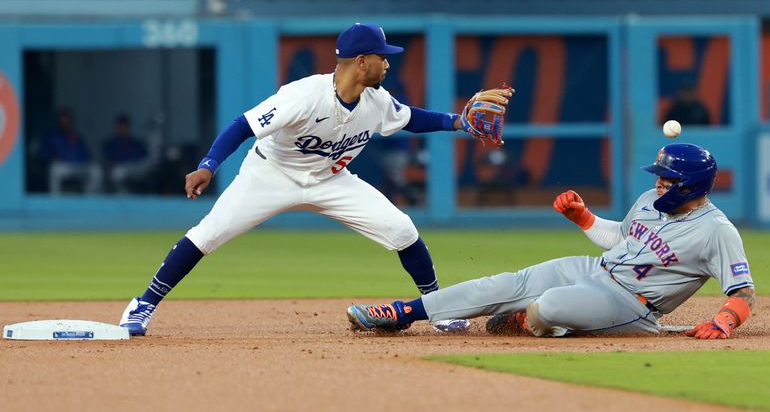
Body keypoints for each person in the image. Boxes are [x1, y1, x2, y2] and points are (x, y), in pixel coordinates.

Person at [119, 23, 514, 336]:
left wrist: (459, 122)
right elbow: (244, 124)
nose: (388, 64)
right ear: (361, 61)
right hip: (270, 175)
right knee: (207, 235)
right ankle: (143, 304)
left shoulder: (376, 101)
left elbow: (412, 118)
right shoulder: (304, 95)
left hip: (331, 180)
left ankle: (439, 307)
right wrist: (209, 164)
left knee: (402, 230)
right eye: (383, 57)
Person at [347, 143, 755, 340]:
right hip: (594, 270)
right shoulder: (649, 200)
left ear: (692, 185)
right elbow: (620, 239)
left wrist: (724, 319)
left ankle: (530, 321)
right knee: (504, 284)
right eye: (658, 175)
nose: (659, 182)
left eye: (668, 178)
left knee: (549, 306)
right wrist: (585, 218)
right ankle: (405, 311)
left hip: (631, 303)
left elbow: (743, 292)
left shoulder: (716, 230)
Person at [40, 107, 103, 194]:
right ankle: (55, 201)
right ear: (59, 121)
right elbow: (43, 154)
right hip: (63, 166)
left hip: (78, 166)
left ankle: (88, 200)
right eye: (64, 119)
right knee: (54, 169)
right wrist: (53, 157)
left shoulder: (77, 136)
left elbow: (87, 155)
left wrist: (81, 159)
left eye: (68, 119)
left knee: (96, 170)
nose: (66, 122)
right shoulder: (52, 136)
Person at [103, 113, 149, 193]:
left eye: (124, 125)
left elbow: (145, 161)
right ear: (116, 127)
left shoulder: (136, 143)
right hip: (122, 169)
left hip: (137, 169)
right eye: (120, 126)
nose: (122, 128)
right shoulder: (110, 144)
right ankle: (125, 198)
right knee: (117, 173)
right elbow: (110, 163)